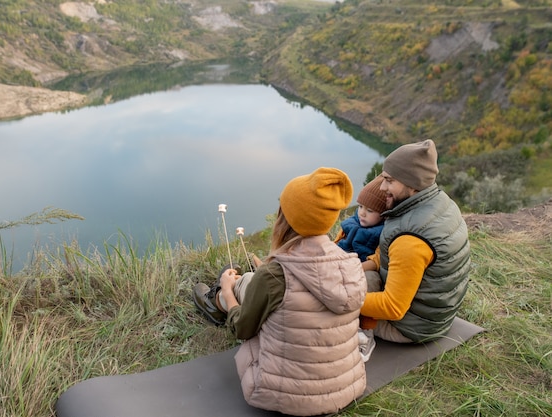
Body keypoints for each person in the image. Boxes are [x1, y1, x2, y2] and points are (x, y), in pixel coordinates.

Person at [192, 167, 367, 416]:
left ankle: (219, 298)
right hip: (346, 387)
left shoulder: (275, 275)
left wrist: (230, 293)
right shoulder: (350, 263)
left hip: (286, 395)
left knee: (247, 287)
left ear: (286, 218)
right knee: (258, 282)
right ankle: (234, 288)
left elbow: (243, 329)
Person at [360, 139, 470, 348]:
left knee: (336, 299)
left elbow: (393, 307)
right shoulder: (439, 202)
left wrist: (340, 301)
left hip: (409, 328)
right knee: (359, 277)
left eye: (389, 180)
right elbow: (386, 257)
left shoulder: (411, 239)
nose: (382, 187)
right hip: (431, 315)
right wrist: (354, 267)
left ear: (411, 183)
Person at [335, 175, 387, 262]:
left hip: (361, 267)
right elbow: (336, 244)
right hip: (341, 259)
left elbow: (376, 261)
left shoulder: (383, 232)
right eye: (360, 206)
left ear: (383, 215)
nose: (362, 213)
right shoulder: (350, 223)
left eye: (369, 210)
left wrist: (351, 268)